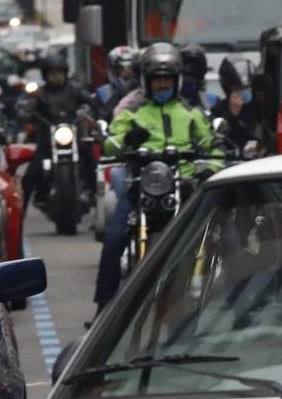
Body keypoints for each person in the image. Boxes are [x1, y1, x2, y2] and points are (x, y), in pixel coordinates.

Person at [92, 42, 222, 309]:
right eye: (157, 80)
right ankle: (103, 309)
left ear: (176, 81)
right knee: (114, 236)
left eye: (167, 80)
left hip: (184, 184)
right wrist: (128, 138)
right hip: (141, 185)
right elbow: (108, 145)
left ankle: (224, 301)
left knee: (221, 233)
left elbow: (214, 147)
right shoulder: (132, 113)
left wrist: (211, 168)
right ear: (146, 82)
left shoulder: (191, 114)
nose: (162, 86)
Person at [20, 59, 87, 204]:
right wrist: (26, 113)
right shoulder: (40, 94)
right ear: (46, 76)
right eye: (52, 74)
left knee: (90, 159)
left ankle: (90, 190)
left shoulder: (75, 90)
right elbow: (27, 108)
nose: (57, 77)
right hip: (47, 142)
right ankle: (21, 216)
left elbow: (91, 103)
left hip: (74, 137)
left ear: (65, 74)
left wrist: (90, 110)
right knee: (30, 175)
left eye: (60, 73)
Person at [95, 44, 138, 111]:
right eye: (121, 68)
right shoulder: (103, 92)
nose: (127, 72)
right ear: (114, 70)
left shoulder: (144, 91)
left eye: (130, 68)